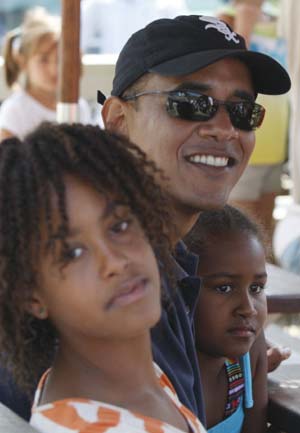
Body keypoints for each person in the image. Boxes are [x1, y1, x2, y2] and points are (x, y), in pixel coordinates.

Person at [0, 14, 291, 424]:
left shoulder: (166, 275)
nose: (224, 129)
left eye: (243, 111)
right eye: (192, 104)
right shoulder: (104, 305)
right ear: (118, 120)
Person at [0, 122, 206, 433]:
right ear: (31, 295)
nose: (114, 261)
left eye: (119, 226)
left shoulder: (136, 378)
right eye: (71, 253)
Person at [185, 205, 268, 433]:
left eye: (256, 287)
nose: (248, 309)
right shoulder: (165, 373)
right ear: (181, 288)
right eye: (224, 287)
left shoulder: (246, 360)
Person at [0, 7, 91, 141]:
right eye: (43, 60)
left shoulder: (80, 106)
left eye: (62, 60)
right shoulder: (15, 111)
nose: (55, 69)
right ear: (23, 62)